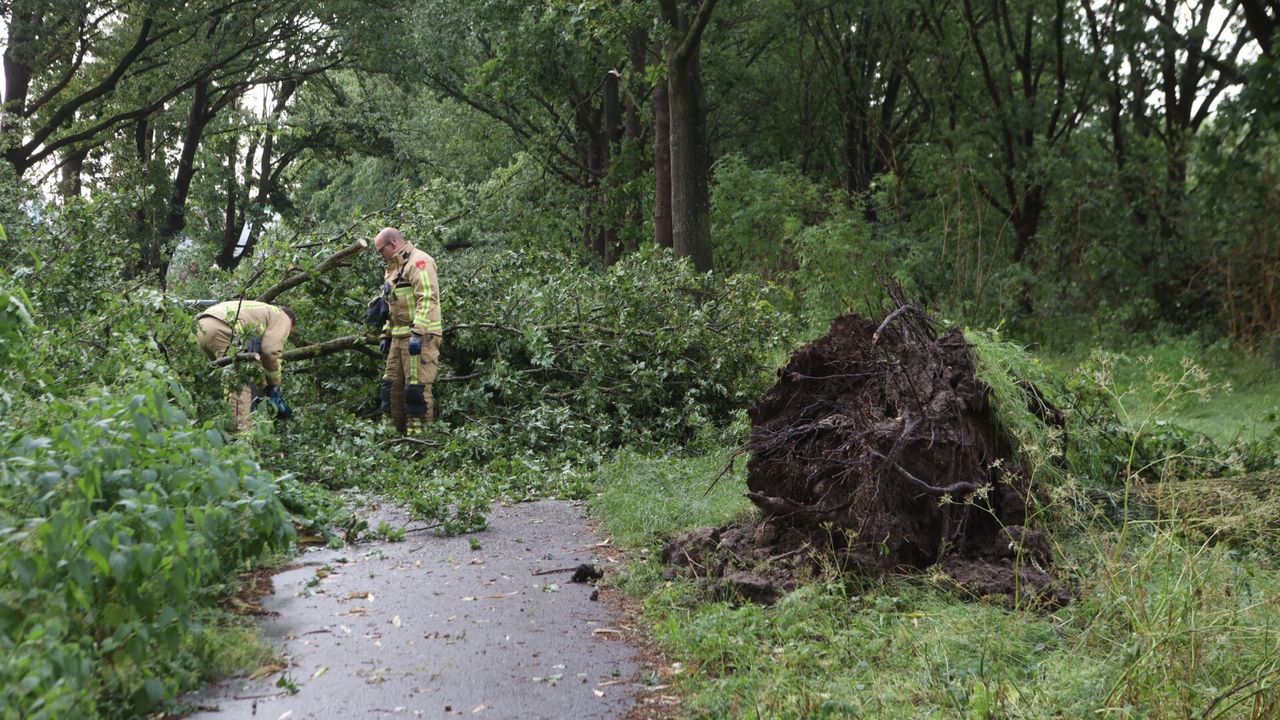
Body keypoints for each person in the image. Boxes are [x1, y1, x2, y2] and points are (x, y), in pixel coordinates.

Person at [372, 227, 442, 430]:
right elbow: (393, 305)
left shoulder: (420, 262)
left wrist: (418, 332)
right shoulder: (393, 268)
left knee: (415, 391)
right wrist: (386, 332)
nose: (380, 255)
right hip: (398, 336)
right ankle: (392, 438)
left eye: (381, 250)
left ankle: (420, 442)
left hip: (421, 336)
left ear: (392, 244)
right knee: (390, 388)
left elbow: (427, 298)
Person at [195, 299, 296, 430]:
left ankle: (227, 429)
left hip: (202, 326)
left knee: (230, 381)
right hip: (224, 328)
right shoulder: (282, 318)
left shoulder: (260, 313)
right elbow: (270, 351)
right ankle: (241, 439)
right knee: (240, 386)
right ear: (291, 323)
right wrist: (274, 384)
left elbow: (255, 362)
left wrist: (265, 386)